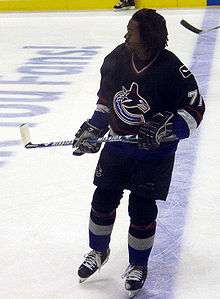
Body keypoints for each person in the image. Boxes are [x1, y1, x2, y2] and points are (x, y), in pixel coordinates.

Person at [72, 8, 205, 298]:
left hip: (155, 157)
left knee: (142, 210)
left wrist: (168, 126)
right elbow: (106, 100)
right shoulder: (117, 58)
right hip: (118, 145)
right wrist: (93, 128)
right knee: (103, 198)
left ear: (148, 36)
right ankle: (98, 251)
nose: (125, 35)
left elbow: (196, 110)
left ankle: (137, 265)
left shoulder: (173, 70)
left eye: (131, 31)